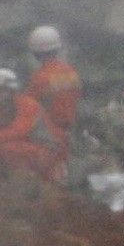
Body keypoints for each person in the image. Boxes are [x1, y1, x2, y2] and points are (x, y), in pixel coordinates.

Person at [0, 65, 62, 180]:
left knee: (6, 148)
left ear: (11, 90)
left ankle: (25, 180)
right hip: (25, 151)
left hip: (47, 152)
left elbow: (17, 130)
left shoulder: (28, 105)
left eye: (1, 90)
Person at [29, 26, 82, 176]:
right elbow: (76, 99)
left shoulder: (40, 78)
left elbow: (29, 109)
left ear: (35, 53)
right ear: (58, 48)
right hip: (69, 133)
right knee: (63, 173)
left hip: (48, 135)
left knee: (48, 176)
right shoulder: (72, 73)